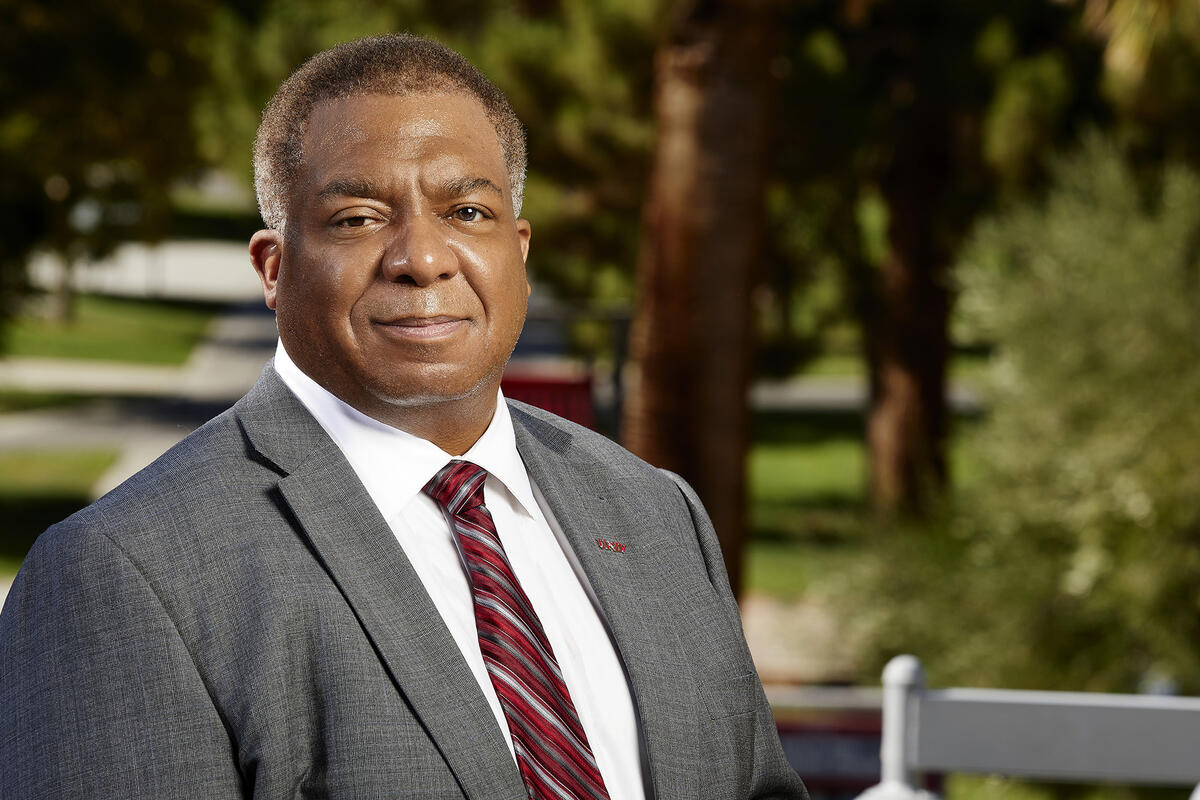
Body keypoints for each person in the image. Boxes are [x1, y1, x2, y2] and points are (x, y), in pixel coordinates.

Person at [0, 34, 806, 800]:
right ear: (273, 268)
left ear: (520, 252)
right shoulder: (123, 575)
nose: (422, 259)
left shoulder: (656, 513)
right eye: (358, 218)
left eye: (468, 213)